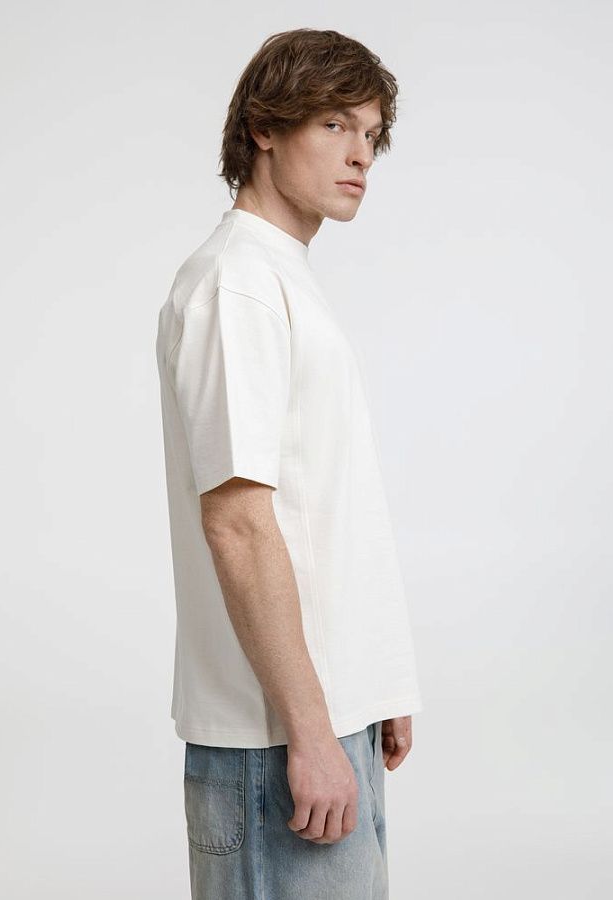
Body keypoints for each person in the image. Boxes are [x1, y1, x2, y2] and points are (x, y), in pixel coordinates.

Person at [155, 27, 424, 900]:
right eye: (336, 124)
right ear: (263, 128)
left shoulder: (281, 276)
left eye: (371, 134)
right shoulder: (238, 283)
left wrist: (374, 681)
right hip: (277, 739)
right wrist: (310, 730)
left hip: (324, 719)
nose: (361, 155)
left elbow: (322, 504)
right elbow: (236, 521)